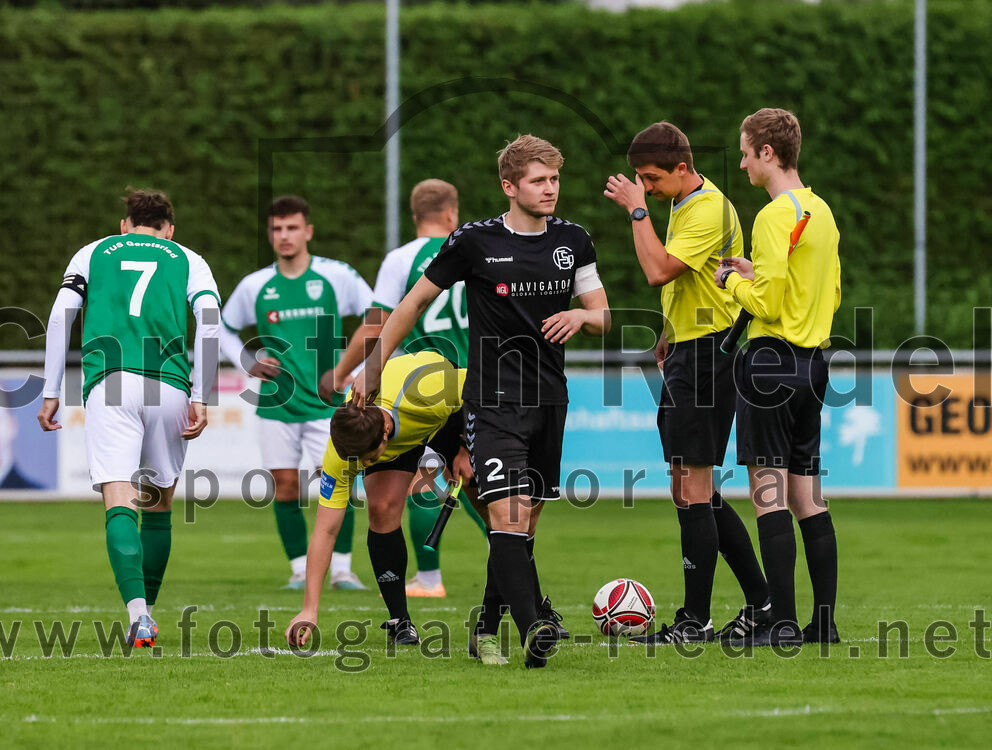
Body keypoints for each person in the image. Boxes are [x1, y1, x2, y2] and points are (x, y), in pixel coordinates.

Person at [351, 135, 611, 668]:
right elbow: (414, 302)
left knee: (523, 528)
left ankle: (487, 626)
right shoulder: (474, 241)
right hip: (491, 404)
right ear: (509, 186)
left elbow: (602, 313)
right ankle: (536, 626)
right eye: (538, 180)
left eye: (555, 179)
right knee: (508, 517)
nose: (550, 190)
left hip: (549, 402)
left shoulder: (574, 240)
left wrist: (583, 317)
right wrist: (373, 365)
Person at [604, 122, 771, 644]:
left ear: (682, 169)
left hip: (709, 356)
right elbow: (691, 284)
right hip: (689, 349)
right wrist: (671, 330)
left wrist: (636, 211)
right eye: (639, 180)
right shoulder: (684, 201)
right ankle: (761, 601)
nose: (646, 187)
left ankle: (695, 621)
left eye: (651, 179)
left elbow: (659, 270)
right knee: (690, 488)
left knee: (694, 489)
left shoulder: (707, 208)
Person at [38, 188, 221, 648]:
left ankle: (138, 616)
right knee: (159, 505)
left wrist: (50, 390)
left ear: (125, 224)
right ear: (170, 229)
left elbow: (62, 314)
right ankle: (151, 614)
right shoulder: (188, 258)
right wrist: (203, 394)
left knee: (120, 498)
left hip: (111, 380)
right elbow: (210, 320)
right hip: (170, 385)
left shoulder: (94, 251)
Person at [713, 108, 841, 646]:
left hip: (769, 362)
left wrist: (730, 281)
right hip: (815, 363)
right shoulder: (820, 210)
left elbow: (766, 299)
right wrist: (756, 274)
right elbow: (828, 294)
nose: (741, 163)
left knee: (767, 493)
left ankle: (781, 624)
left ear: (768, 153)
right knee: (808, 495)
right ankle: (823, 624)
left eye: (745, 152)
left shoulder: (771, 217)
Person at [325, 178, 486, 599]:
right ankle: (504, 548)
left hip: (417, 383)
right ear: (452, 213)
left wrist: (342, 371)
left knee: (420, 481)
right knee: (472, 478)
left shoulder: (400, 259)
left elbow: (377, 324)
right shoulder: (477, 245)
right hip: (474, 377)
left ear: (415, 217)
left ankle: (429, 579)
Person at [219, 195, 373, 591]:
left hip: (328, 404)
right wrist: (246, 362)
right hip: (277, 405)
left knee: (336, 482)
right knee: (285, 486)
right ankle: (299, 568)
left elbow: (378, 318)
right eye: (276, 229)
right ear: (270, 235)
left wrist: (353, 372)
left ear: (308, 231)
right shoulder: (256, 285)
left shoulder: (336, 276)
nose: (284, 235)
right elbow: (222, 326)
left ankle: (341, 569)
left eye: (291, 227)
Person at [285, 351, 477, 649]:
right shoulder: (342, 451)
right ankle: (401, 621)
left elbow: (482, 385)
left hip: (447, 411)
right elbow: (325, 530)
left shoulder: (431, 390)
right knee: (382, 508)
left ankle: (532, 607)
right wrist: (310, 608)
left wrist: (465, 447)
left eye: (368, 460)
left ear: (385, 435)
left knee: (490, 503)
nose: (362, 468)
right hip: (398, 425)